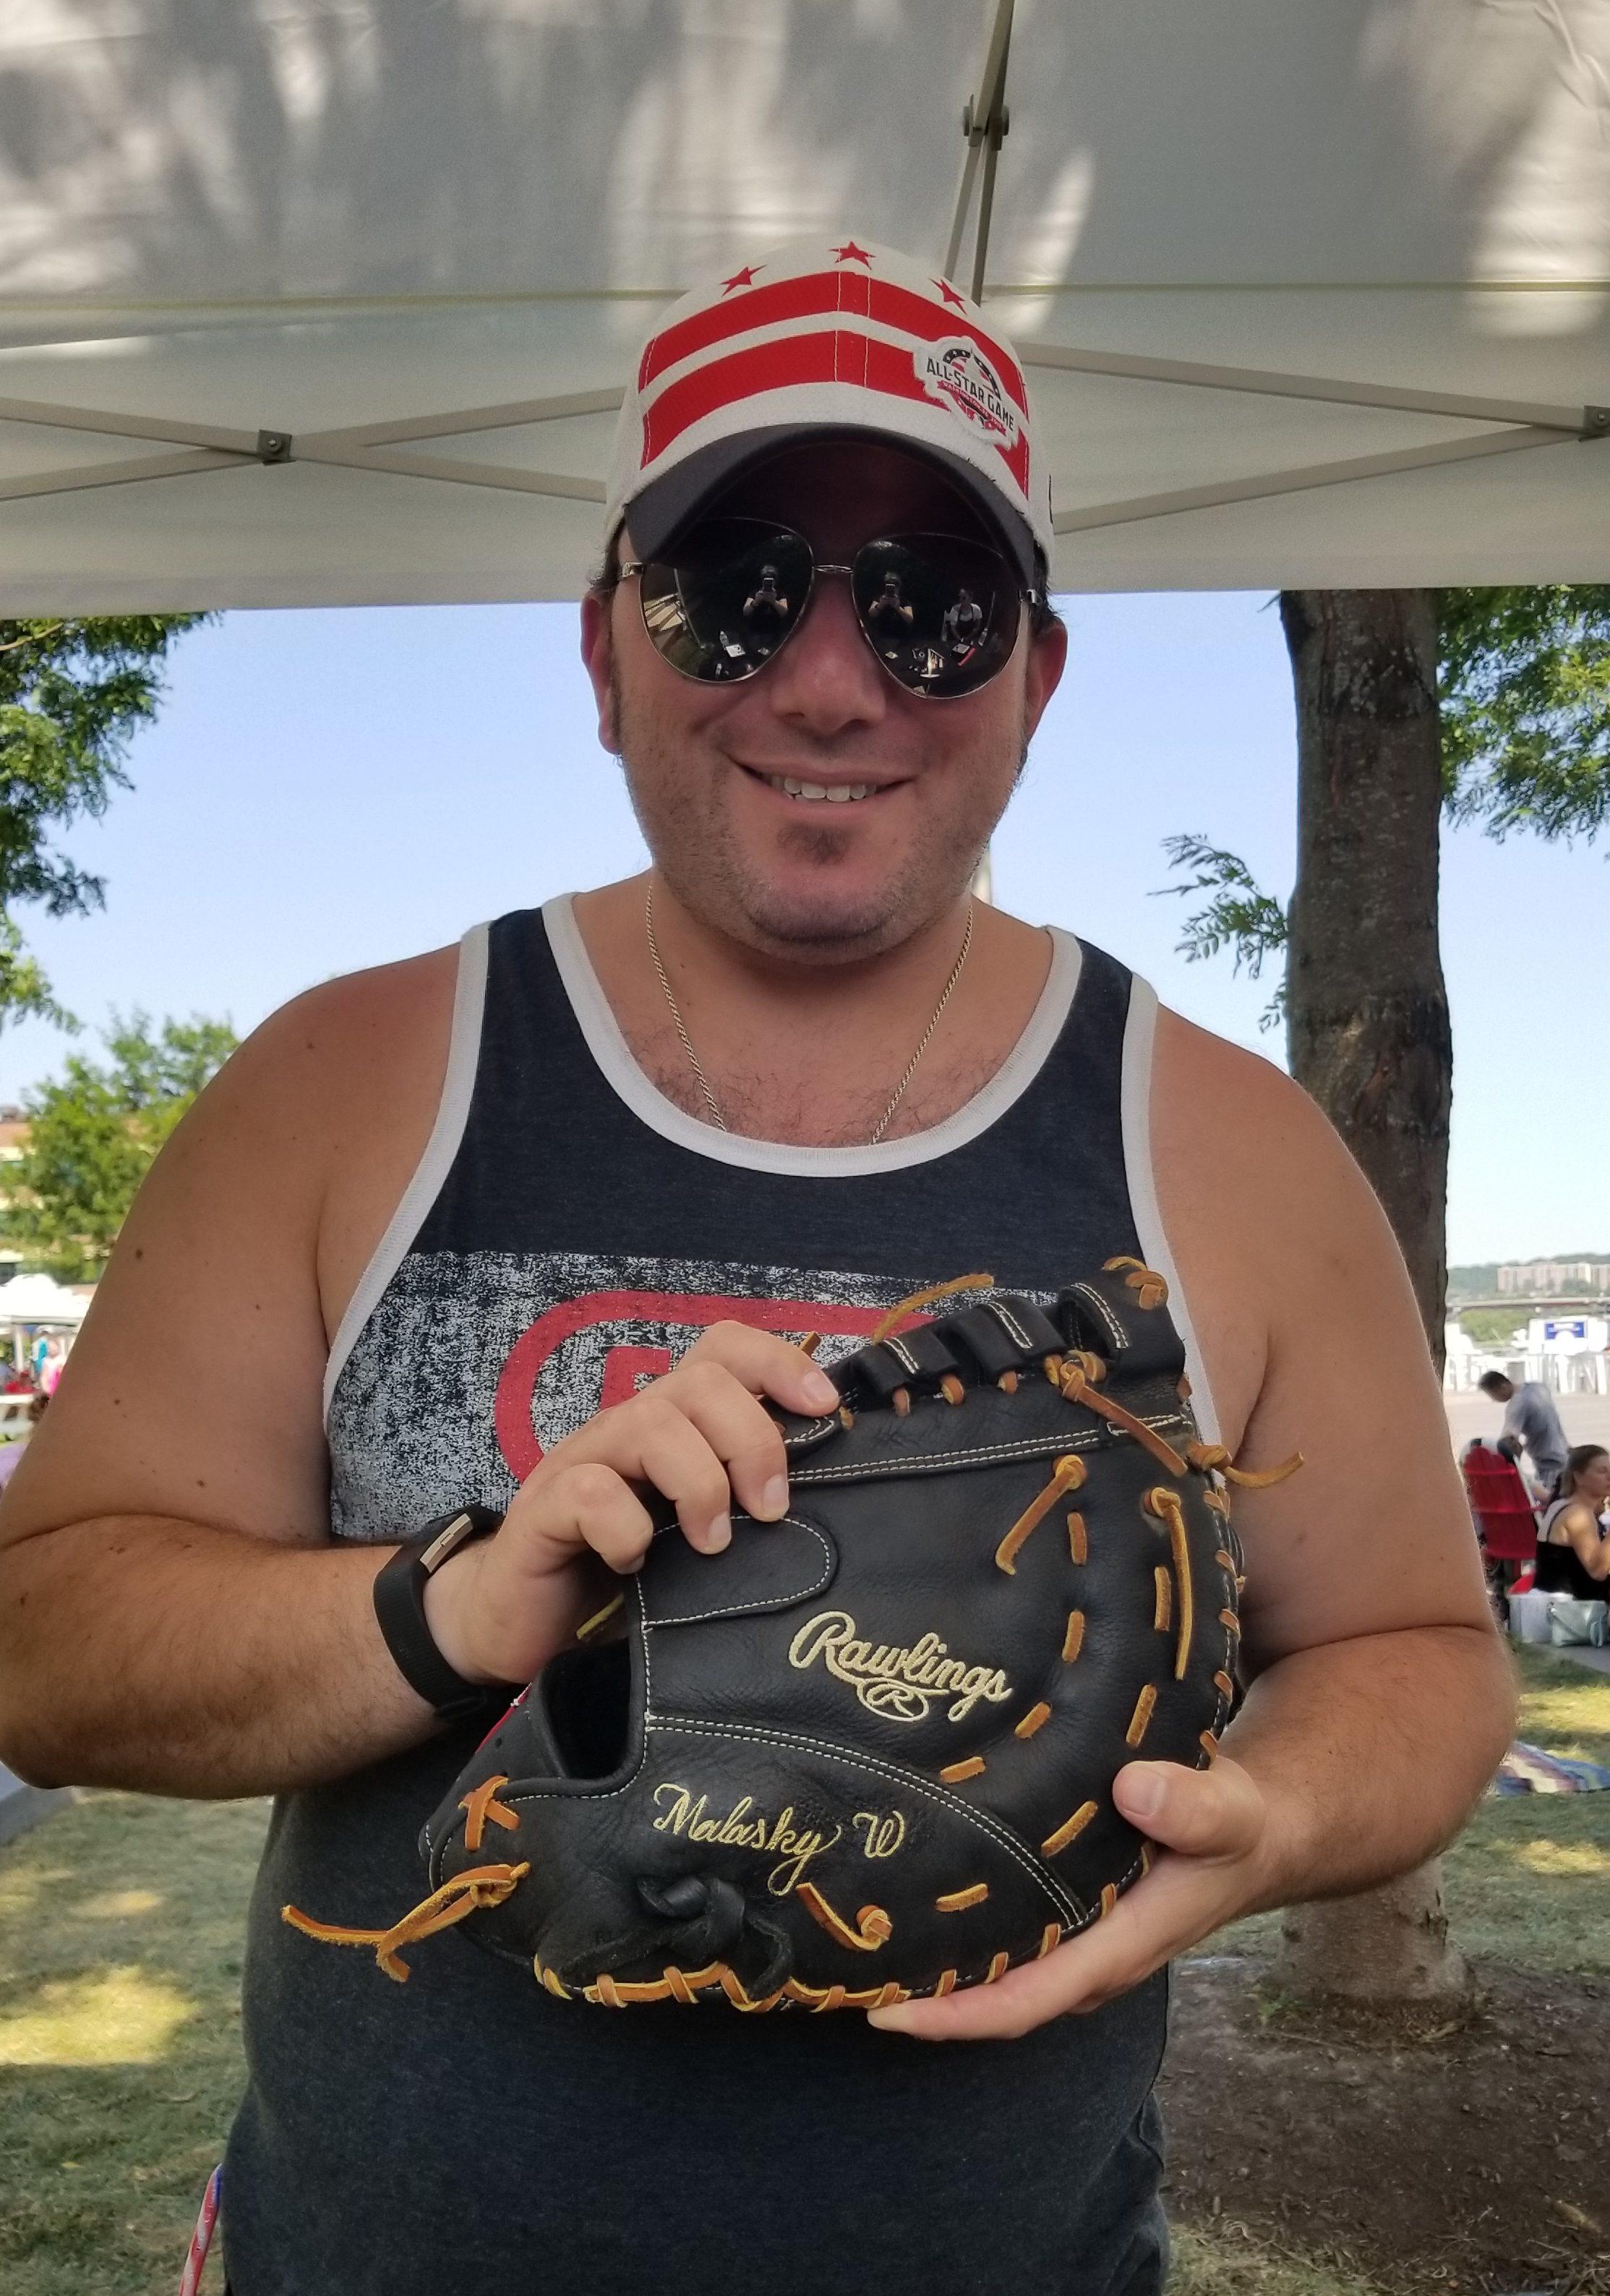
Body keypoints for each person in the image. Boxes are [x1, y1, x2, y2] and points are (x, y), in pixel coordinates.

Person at [0, 239, 1514, 2296]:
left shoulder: (1231, 1147)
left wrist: (1259, 1810)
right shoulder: (349, 1080)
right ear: (607, 643)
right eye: (733, 584)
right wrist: (460, 1599)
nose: (828, 676)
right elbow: (47, 1634)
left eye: (931, 604)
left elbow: (1421, 1652)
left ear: (1036, 676)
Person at [1533, 1443, 1610, 1599]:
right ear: (1578, 1477)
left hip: (1549, 1602)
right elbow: (1598, 1570)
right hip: (1570, 1612)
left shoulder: (1560, 1504)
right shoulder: (1578, 1514)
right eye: (1602, 1471)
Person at [1478, 1369, 1569, 1497]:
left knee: (1550, 1503)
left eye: (1493, 1395)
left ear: (1502, 1387)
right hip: (1564, 1452)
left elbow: (1508, 1440)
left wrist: (1503, 1470)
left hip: (1548, 1461)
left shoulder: (1517, 1404)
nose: (1494, 1400)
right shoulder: (1539, 1388)